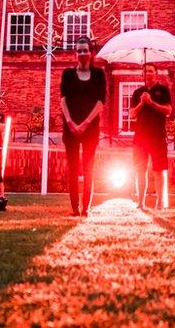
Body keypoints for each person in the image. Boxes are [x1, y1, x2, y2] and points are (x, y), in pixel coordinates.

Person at [59, 37, 106, 216]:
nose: (82, 53)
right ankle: (74, 209)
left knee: (88, 168)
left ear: (91, 52)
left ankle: (86, 208)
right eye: (79, 50)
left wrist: (86, 123)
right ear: (75, 54)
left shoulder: (99, 74)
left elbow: (101, 101)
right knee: (72, 169)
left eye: (85, 50)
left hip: (90, 128)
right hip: (70, 128)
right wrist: (70, 122)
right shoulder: (68, 74)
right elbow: (63, 99)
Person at [130, 64, 172, 210]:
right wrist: (142, 103)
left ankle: (160, 202)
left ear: (156, 73)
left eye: (150, 71)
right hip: (140, 137)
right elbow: (132, 114)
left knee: (159, 170)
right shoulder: (137, 93)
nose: (148, 73)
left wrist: (152, 103)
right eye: (145, 71)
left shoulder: (163, 90)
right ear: (143, 74)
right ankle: (140, 202)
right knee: (140, 170)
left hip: (158, 136)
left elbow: (168, 111)